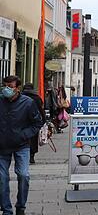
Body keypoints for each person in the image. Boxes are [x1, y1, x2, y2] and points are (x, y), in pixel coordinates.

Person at [0, 75, 44, 215]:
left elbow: (37, 122)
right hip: (1, 146)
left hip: (21, 145)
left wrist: (24, 135)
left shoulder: (28, 103)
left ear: (17, 89)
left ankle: (21, 206)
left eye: (11, 87)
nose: (7, 89)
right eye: (5, 86)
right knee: (1, 178)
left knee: (23, 175)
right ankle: (7, 210)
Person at [20, 84, 44, 165]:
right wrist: (43, 122)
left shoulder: (20, 97)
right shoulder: (37, 98)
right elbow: (41, 110)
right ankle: (31, 156)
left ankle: (24, 156)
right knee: (33, 140)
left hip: (22, 122)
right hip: (34, 122)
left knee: (23, 139)